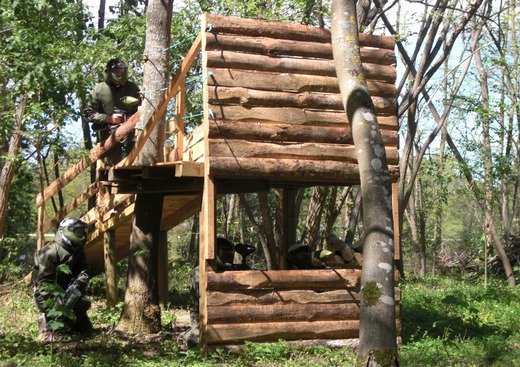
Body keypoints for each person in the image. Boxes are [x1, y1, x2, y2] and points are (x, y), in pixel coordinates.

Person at [33, 218, 92, 343]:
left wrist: (78, 283)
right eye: (78, 231)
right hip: (47, 297)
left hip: (67, 292)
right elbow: (44, 283)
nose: (81, 235)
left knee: (86, 330)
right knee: (81, 305)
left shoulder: (77, 250)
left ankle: (63, 322)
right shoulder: (50, 252)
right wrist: (56, 300)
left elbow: (84, 271)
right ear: (67, 231)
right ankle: (50, 328)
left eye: (82, 232)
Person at [84, 58, 141, 166]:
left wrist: (132, 119)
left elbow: (141, 108)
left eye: (123, 71)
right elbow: (88, 114)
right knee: (111, 164)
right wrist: (108, 118)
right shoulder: (99, 90)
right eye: (118, 71)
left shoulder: (132, 88)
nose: (121, 74)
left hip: (130, 130)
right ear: (109, 72)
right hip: (108, 131)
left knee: (137, 157)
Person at [183, 238, 235, 348]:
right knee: (197, 342)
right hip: (203, 319)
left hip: (227, 318)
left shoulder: (231, 270)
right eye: (225, 251)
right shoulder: (199, 271)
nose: (229, 255)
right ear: (216, 252)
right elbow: (201, 296)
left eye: (231, 252)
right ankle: (189, 334)